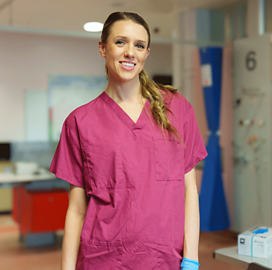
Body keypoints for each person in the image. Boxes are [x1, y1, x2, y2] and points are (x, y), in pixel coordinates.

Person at [50, 11, 207, 270]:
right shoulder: (80, 122)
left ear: (146, 53)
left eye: (139, 45)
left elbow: (189, 189)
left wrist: (191, 258)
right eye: (120, 42)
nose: (130, 52)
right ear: (102, 48)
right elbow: (77, 210)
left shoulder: (177, 110)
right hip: (102, 260)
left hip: (165, 260)